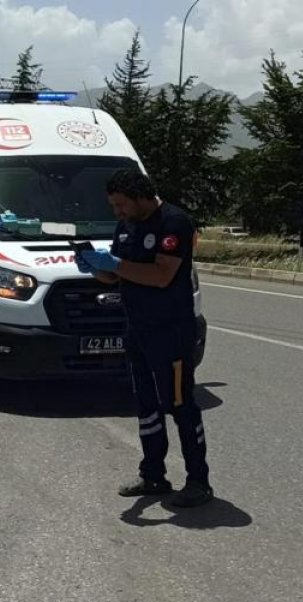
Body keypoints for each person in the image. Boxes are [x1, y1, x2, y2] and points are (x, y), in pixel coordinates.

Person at [77, 168, 213, 508]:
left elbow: (162, 275)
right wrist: (94, 266)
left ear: (139, 197)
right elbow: (113, 276)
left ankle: (198, 481)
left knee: (180, 406)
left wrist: (116, 265)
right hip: (137, 329)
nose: (117, 212)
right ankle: (153, 474)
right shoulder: (127, 226)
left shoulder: (174, 222)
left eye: (121, 204)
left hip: (172, 330)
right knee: (146, 405)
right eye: (114, 206)